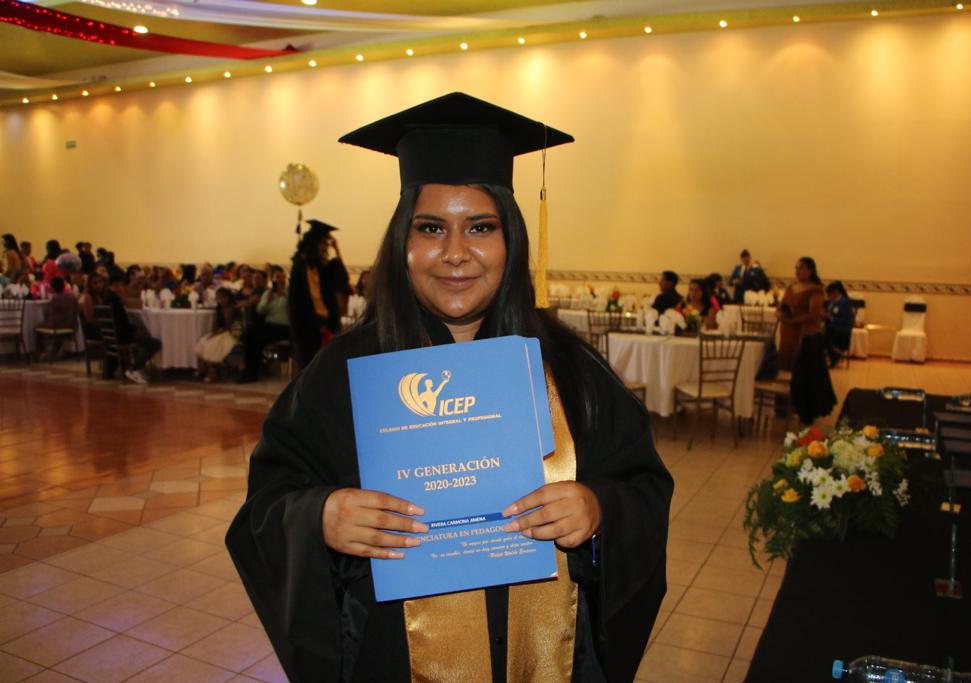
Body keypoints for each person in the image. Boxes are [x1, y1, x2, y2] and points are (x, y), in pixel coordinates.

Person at [226, 93, 673, 683]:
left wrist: (599, 508)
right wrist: (321, 517)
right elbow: (266, 506)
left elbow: (642, 489)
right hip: (393, 657)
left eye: (480, 227)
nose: (456, 253)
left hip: (552, 656)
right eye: (431, 228)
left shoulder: (569, 368)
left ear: (512, 241)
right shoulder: (343, 373)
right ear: (402, 243)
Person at [777, 256, 836, 425]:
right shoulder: (791, 287)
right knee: (784, 367)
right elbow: (782, 306)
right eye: (796, 268)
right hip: (788, 334)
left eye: (801, 268)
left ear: (810, 271)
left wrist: (792, 321)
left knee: (802, 372)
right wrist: (780, 314)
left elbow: (813, 314)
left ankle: (800, 407)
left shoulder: (815, 290)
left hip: (805, 335)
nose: (797, 271)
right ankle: (782, 406)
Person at [287, 219, 349, 369]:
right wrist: (316, 323)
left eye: (327, 244)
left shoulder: (323, 266)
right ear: (313, 243)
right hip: (308, 325)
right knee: (310, 366)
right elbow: (302, 300)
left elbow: (343, 279)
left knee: (326, 365)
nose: (325, 248)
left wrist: (337, 249)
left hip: (326, 322)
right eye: (323, 243)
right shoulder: (301, 265)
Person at [104, 272, 162, 384]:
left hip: (113, 335)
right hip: (123, 335)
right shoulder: (115, 301)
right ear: (115, 285)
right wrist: (136, 329)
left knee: (145, 337)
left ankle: (137, 368)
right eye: (120, 285)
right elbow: (121, 323)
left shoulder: (107, 298)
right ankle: (135, 369)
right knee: (155, 343)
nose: (122, 288)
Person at [237, 266, 291, 383]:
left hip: (285, 327)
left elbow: (295, 311)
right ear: (273, 279)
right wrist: (268, 299)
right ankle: (250, 371)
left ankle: (252, 372)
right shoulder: (268, 293)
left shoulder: (290, 292)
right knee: (250, 335)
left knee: (255, 336)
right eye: (277, 277)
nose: (280, 280)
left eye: (282, 277)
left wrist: (286, 297)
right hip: (269, 325)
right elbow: (260, 310)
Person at [195, 287, 241, 383]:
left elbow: (227, 326)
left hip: (231, 333)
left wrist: (216, 334)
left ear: (229, 297)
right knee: (203, 341)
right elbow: (217, 324)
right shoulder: (219, 309)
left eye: (223, 297)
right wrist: (214, 333)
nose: (221, 300)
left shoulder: (232, 309)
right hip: (221, 332)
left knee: (213, 345)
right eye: (219, 298)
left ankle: (212, 372)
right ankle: (202, 369)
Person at [823, 281, 855, 368]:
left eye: (829, 294)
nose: (828, 296)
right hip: (832, 327)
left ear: (836, 292)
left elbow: (846, 320)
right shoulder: (832, 302)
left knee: (822, 336)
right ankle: (832, 356)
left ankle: (834, 356)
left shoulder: (845, 303)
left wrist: (831, 318)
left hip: (841, 329)